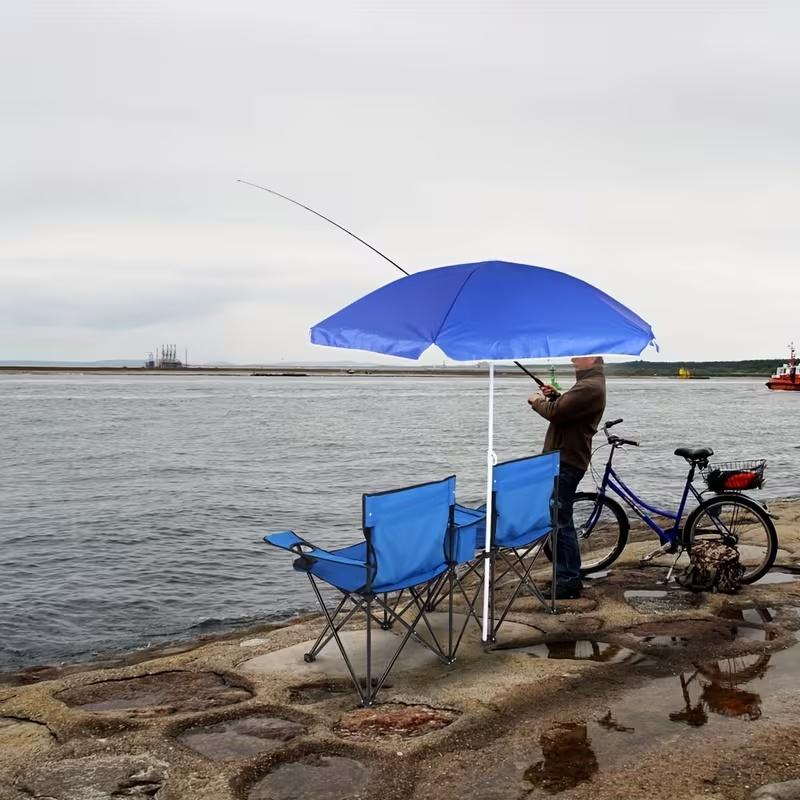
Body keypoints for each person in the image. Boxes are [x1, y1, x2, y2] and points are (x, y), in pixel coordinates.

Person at [527, 356, 607, 599]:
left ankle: (568, 580)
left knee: (561, 522)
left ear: (592, 358)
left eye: (578, 356)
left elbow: (556, 414)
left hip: (566, 461)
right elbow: (566, 409)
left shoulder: (590, 386)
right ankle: (567, 575)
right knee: (560, 520)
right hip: (565, 459)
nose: (573, 359)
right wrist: (555, 396)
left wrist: (538, 401)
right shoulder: (588, 384)